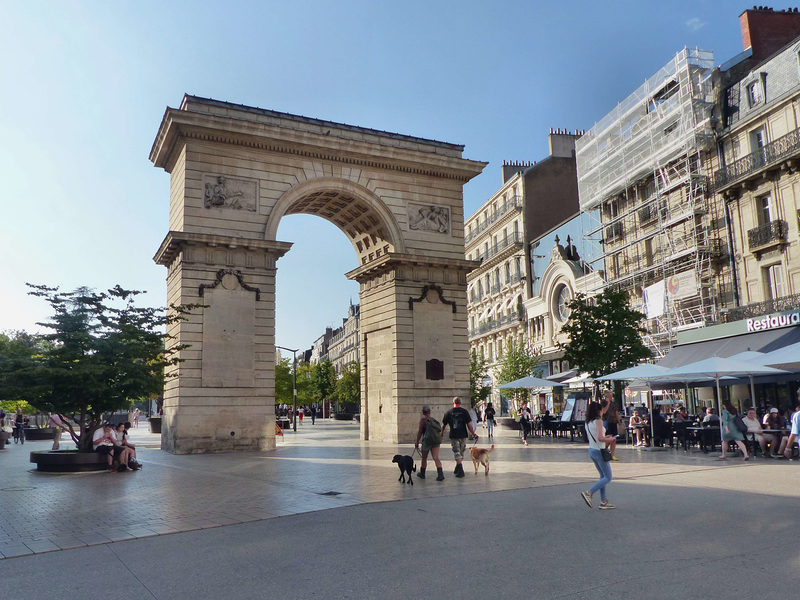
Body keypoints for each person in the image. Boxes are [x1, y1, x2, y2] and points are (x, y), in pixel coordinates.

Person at [580, 401, 616, 510]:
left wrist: (606, 437)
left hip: (592, 450)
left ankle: (603, 501)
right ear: (599, 411)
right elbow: (600, 438)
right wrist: (609, 439)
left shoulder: (588, 422)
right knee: (608, 477)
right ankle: (589, 492)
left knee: (602, 476)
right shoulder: (598, 421)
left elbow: (595, 437)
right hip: (599, 450)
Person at [441, 397, 478, 478]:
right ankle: (459, 468)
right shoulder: (464, 412)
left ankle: (459, 469)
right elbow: (469, 424)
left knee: (457, 452)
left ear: (453, 403)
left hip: (454, 435)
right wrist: (473, 433)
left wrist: (442, 432)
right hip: (463, 435)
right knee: (461, 452)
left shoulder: (449, 412)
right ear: (460, 403)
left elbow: (443, 424)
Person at [414, 405, 445, 481]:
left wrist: (417, 442)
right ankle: (440, 475)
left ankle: (422, 473)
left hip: (427, 441)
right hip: (435, 441)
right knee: (436, 458)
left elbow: (420, 432)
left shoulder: (423, 421)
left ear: (423, 413)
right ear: (429, 412)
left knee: (424, 458)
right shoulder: (434, 421)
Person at [601, 391, 619, 460]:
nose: (611, 398)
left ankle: (612, 455)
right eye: (609, 396)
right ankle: (603, 449)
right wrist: (608, 403)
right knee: (608, 438)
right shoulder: (603, 403)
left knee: (614, 439)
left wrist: (619, 422)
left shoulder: (614, 403)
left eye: (611, 396)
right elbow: (604, 412)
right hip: (607, 422)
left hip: (613, 422)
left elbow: (616, 413)